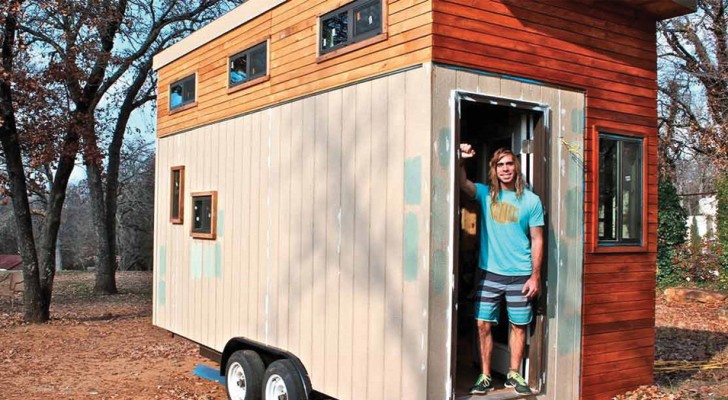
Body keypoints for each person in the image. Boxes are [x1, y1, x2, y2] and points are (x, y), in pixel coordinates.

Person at [459, 143, 544, 396]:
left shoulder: (531, 200)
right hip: (490, 274)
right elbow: (463, 183)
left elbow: (538, 239)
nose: (505, 169)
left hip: (520, 275)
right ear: (494, 170)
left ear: (516, 168)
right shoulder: (486, 194)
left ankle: (513, 373)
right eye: (500, 165)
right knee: (483, 324)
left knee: (518, 325)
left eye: (509, 164)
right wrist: (461, 158)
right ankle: (485, 376)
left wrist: (535, 275)